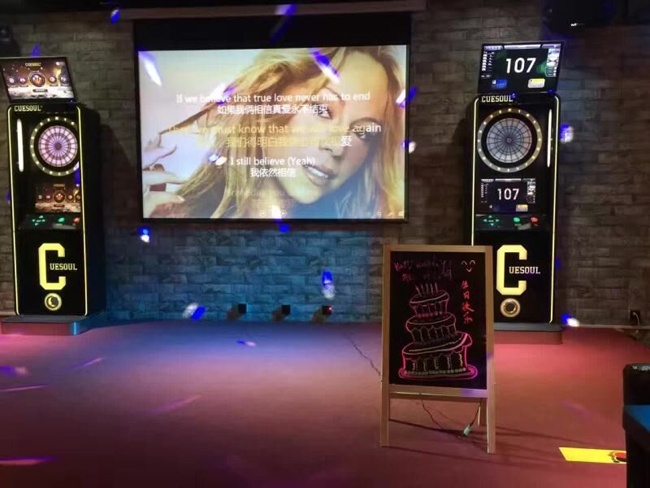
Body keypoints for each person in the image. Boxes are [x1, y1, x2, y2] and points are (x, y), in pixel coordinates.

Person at [142, 46, 405, 219]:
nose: (338, 147)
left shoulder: (356, 242)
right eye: (322, 109)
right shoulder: (173, 214)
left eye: (364, 133)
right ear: (272, 93)